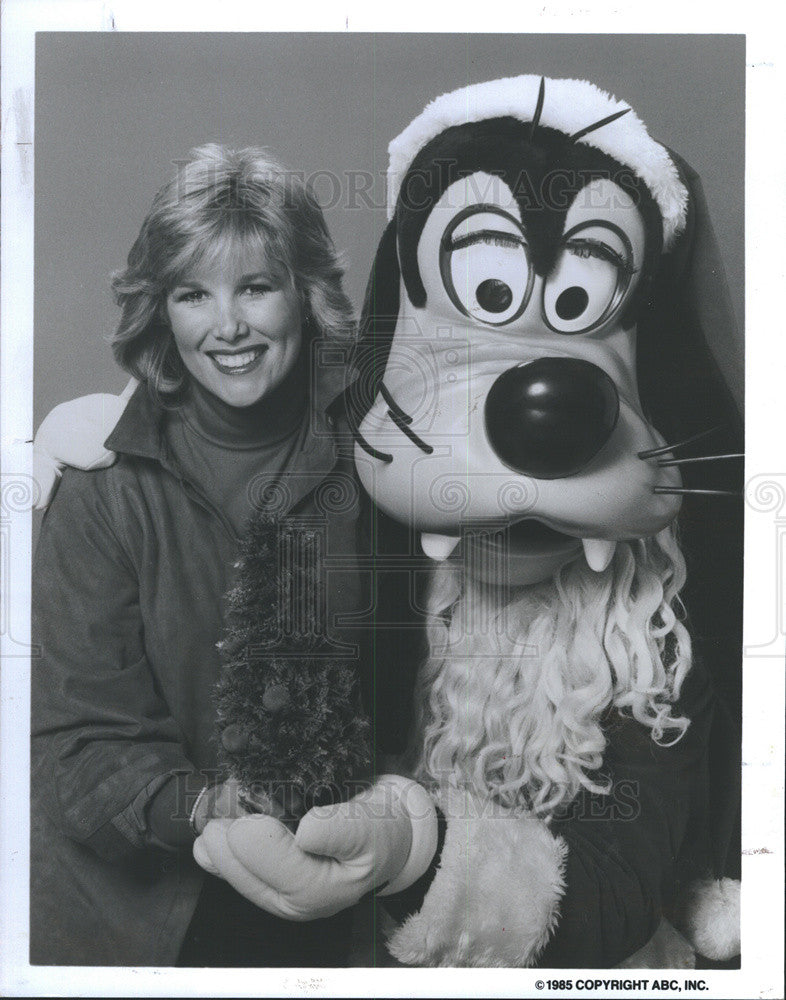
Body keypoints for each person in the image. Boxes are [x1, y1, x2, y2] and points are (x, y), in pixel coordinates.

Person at [30, 144, 429, 968]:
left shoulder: (384, 450)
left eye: (255, 286)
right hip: (147, 918)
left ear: (305, 294)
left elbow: (431, 675)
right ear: (161, 310)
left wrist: (396, 821)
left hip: (348, 879)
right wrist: (209, 805)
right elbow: (78, 740)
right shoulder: (103, 486)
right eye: (193, 294)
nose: (229, 327)